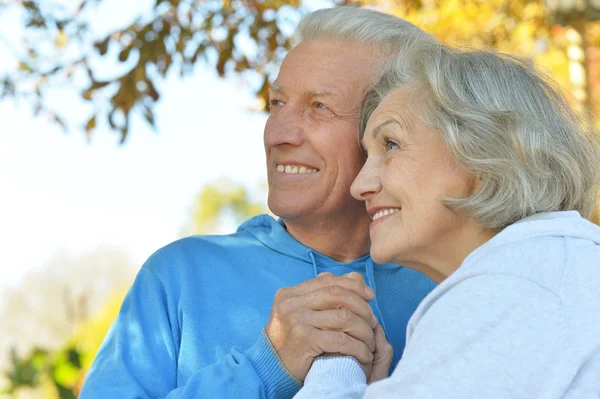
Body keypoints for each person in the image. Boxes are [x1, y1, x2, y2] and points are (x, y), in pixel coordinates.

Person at [79, 7, 439, 399]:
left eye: (319, 106)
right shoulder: (177, 276)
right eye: (276, 103)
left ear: (390, 134)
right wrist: (267, 365)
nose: (277, 133)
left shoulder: (452, 284)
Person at [294, 42, 600, 398]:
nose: (360, 185)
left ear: (485, 153)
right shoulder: (550, 268)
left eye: (391, 144)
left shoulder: (510, 287)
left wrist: (336, 362)